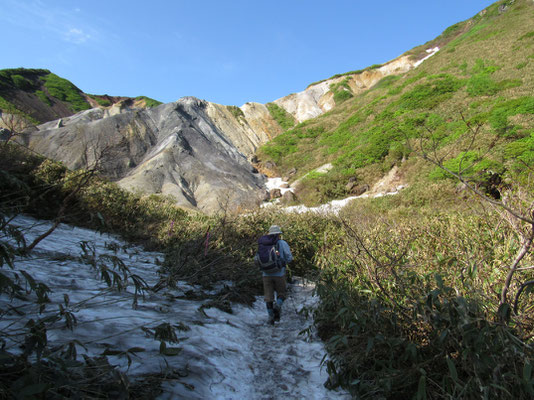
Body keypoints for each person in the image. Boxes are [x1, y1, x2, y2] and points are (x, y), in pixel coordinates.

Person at [259, 225, 293, 325]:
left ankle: (270, 318)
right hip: (279, 273)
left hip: (266, 274)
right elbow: (289, 257)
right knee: (282, 293)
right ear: (279, 234)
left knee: (268, 297)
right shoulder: (282, 243)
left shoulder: (263, 244)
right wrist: (284, 263)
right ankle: (277, 306)